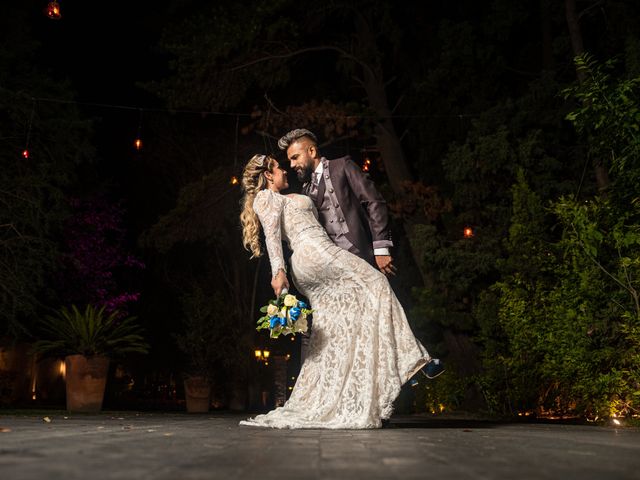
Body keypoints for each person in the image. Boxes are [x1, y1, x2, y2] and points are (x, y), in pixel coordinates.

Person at [238, 153, 433, 429]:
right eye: (280, 167)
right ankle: (407, 360)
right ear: (268, 174)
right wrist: (278, 273)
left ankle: (339, 396)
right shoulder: (266, 199)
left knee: (334, 328)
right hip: (313, 252)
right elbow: (271, 237)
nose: (285, 171)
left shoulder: (290, 196)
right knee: (375, 283)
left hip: (314, 256)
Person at [278, 128, 444, 382]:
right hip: (329, 267)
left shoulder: (342, 166)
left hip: (359, 255)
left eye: (295, 157)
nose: (292, 164)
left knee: (375, 310)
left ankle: (408, 366)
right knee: (347, 326)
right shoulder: (304, 188)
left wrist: (381, 248)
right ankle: (401, 369)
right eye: (289, 160)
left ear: (311, 151)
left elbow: (374, 202)